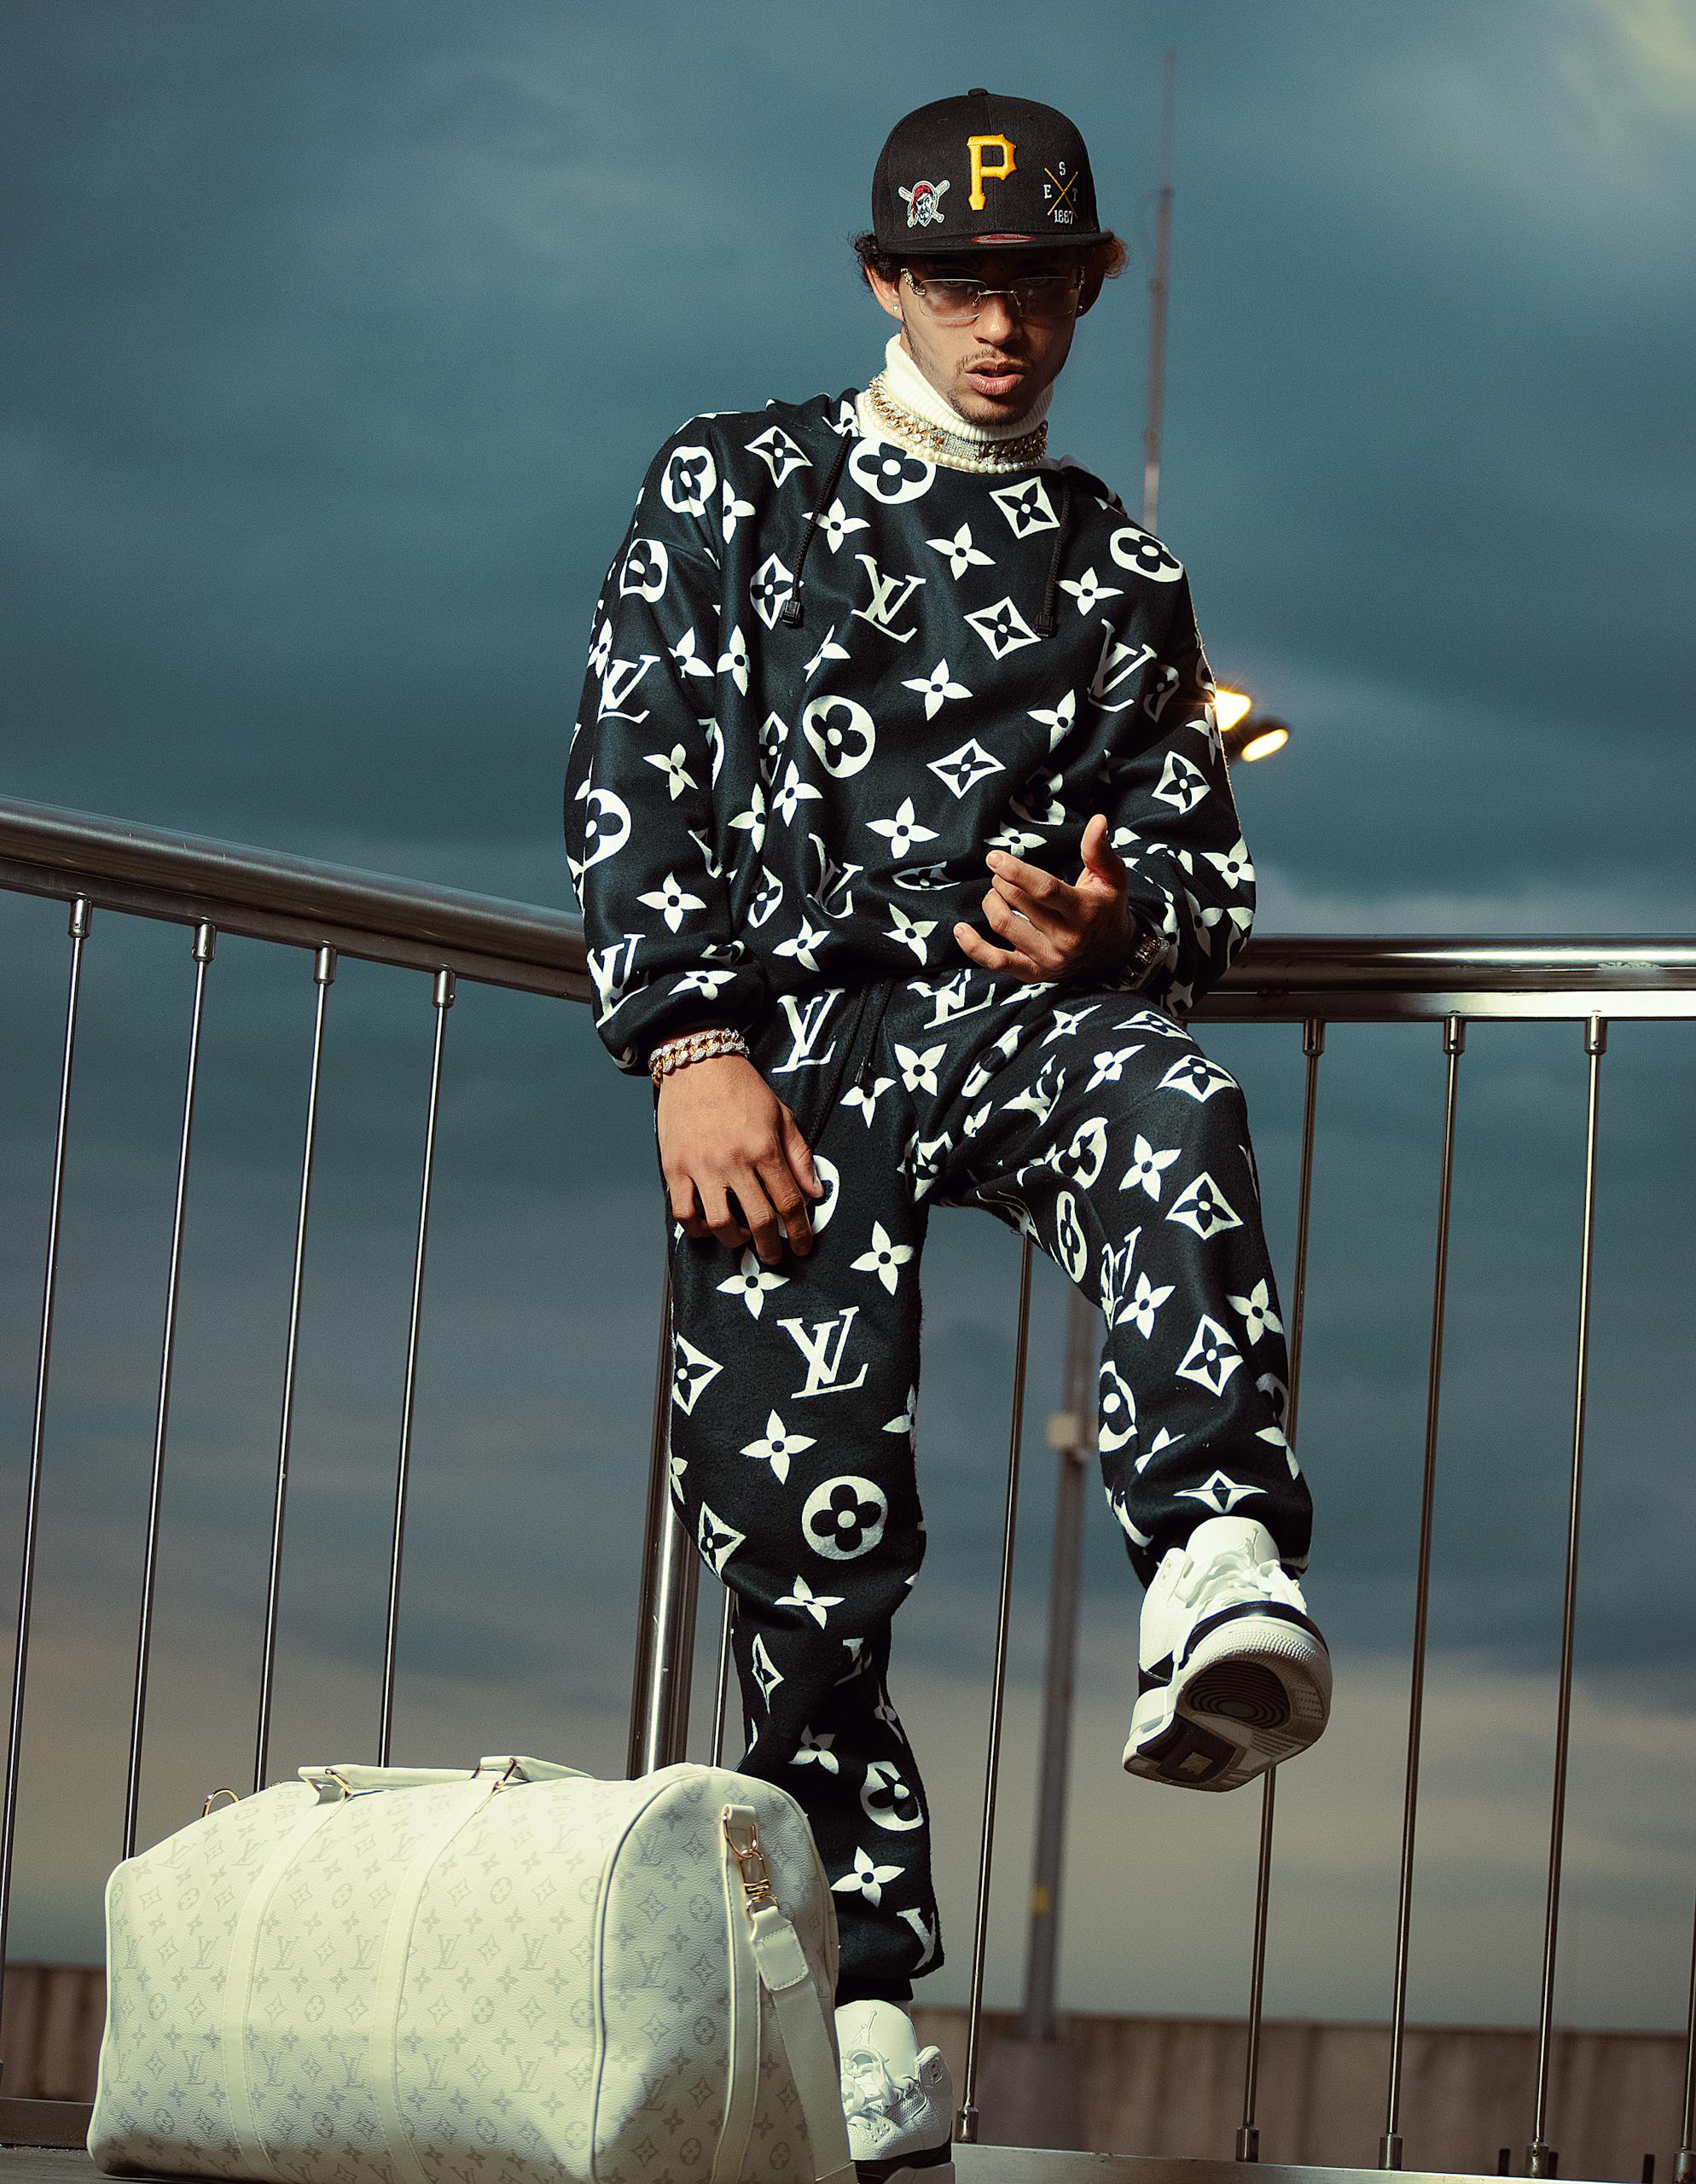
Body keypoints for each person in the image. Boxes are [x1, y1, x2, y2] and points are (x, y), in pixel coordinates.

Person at [565, 87, 1330, 2184]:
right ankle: (869, 1986)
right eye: (953, 281)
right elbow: (635, 754)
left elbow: (1199, 873)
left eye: (1036, 286)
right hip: (790, 1039)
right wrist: (689, 1038)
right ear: (885, 280)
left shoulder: (1120, 565)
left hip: (1017, 1014)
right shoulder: (735, 483)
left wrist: (1121, 924)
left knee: (1176, 1091)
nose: (999, 323)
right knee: (806, 1501)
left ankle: (1212, 1553)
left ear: (1091, 286)